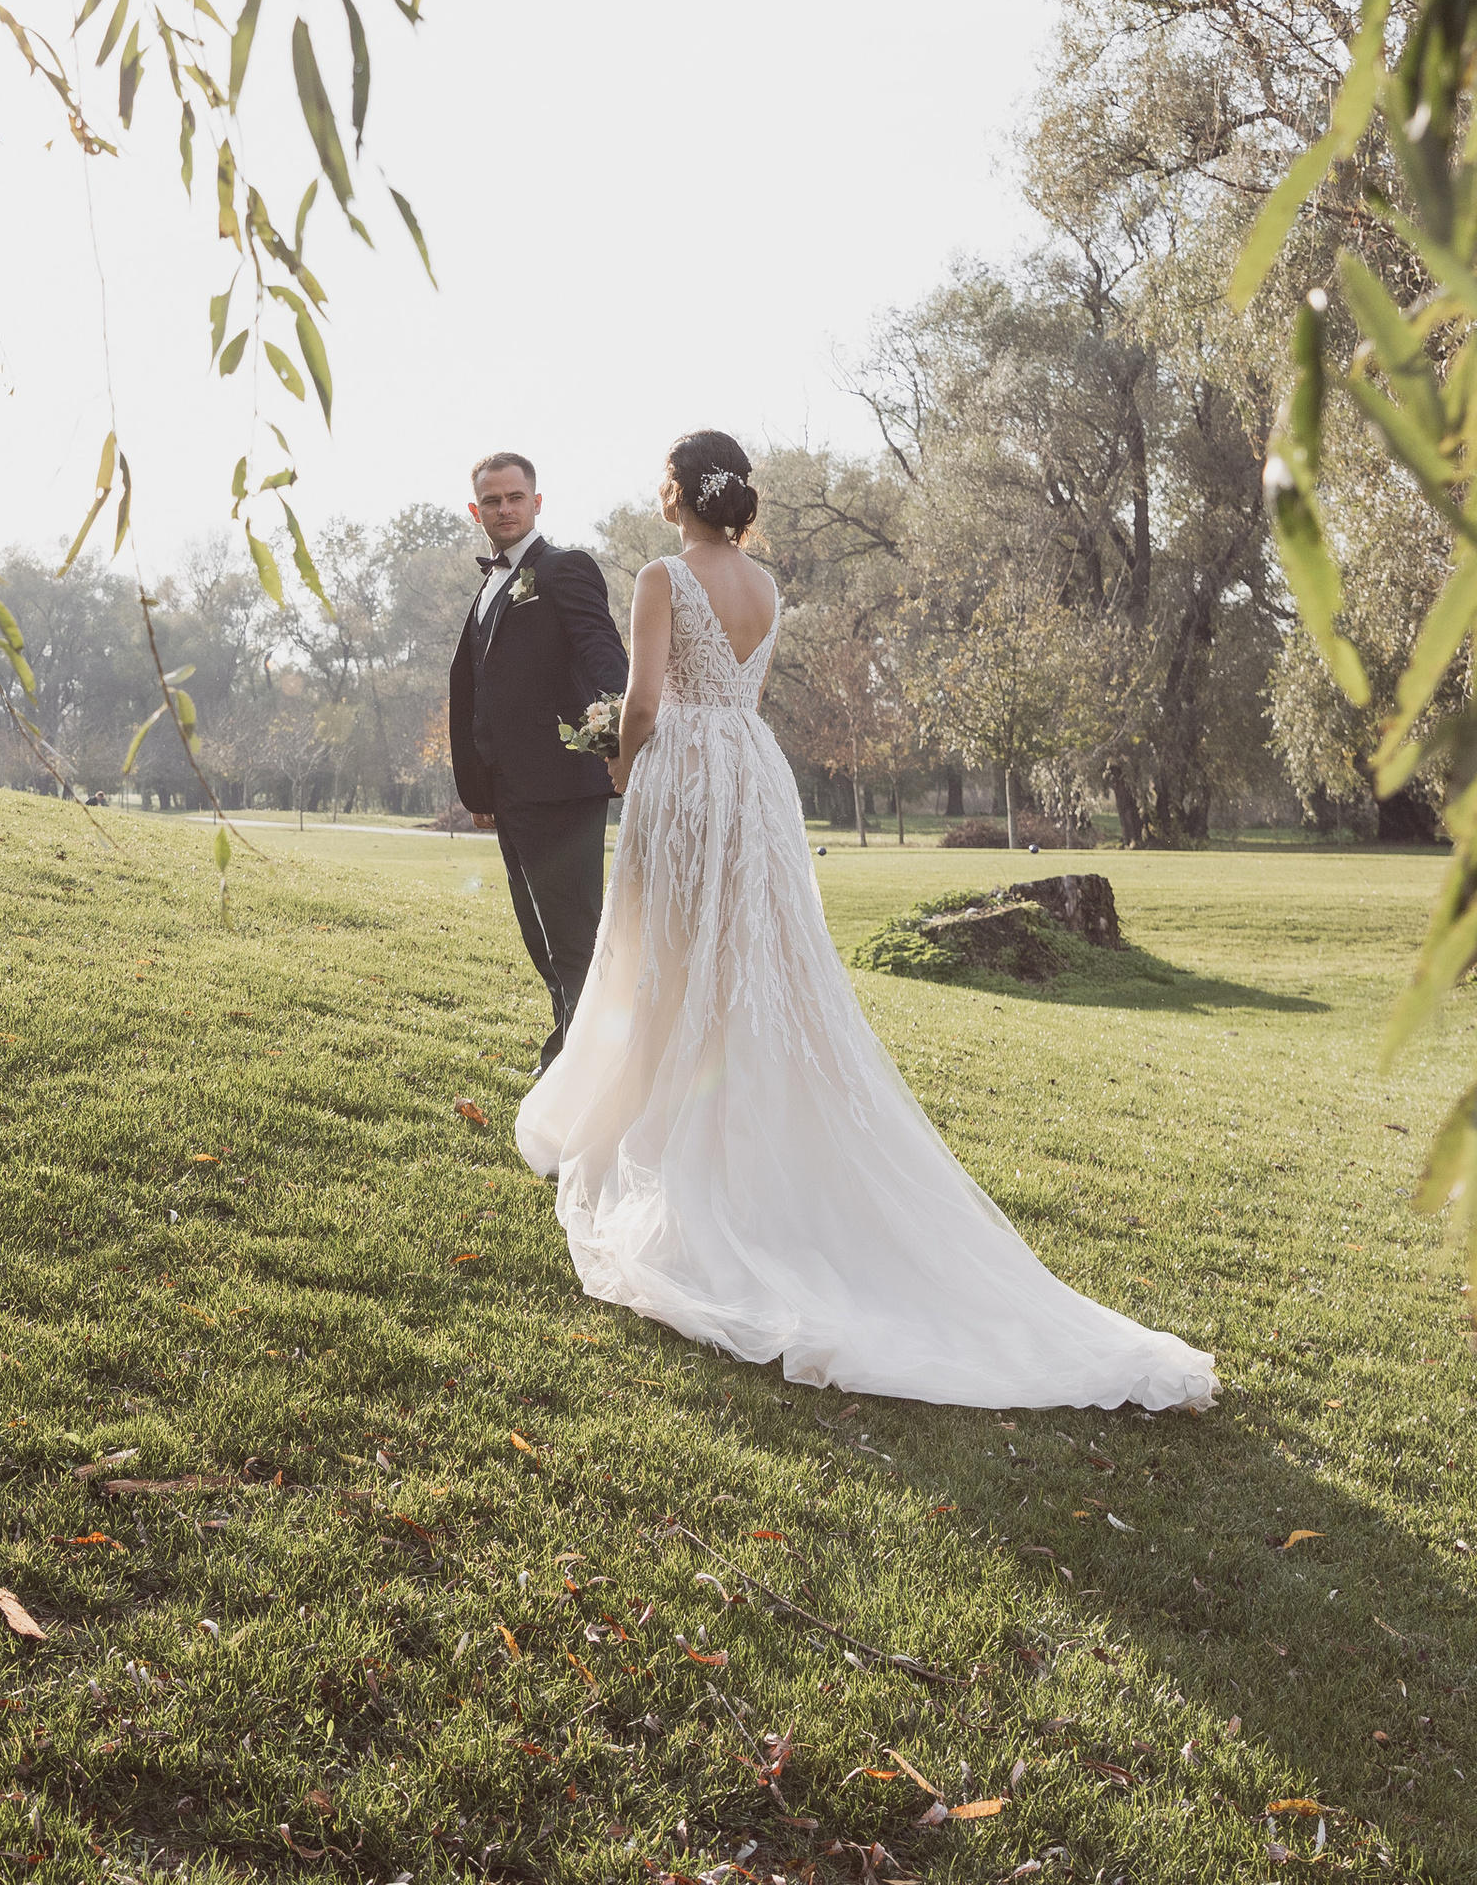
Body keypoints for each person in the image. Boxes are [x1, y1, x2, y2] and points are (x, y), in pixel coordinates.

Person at [512, 430, 1215, 1412]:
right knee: (749, 957)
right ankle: (721, 1120)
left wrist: (620, 760)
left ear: (675, 492)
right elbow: (730, 694)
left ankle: (677, 1144)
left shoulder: (662, 576)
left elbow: (639, 702)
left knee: (671, 959)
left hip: (686, 778)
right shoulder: (766, 588)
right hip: (752, 777)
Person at [447, 450, 631, 1076]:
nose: (504, 509)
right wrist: (483, 789)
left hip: (562, 787)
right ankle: (568, 1054)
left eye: (515, 498)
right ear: (476, 511)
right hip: (512, 792)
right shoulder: (491, 582)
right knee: (543, 940)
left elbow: (603, 652)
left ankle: (584, 1074)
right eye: (492, 501)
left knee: (576, 939)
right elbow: (486, 690)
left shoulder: (564, 568)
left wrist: (621, 727)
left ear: (537, 502)